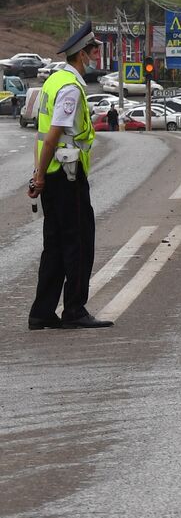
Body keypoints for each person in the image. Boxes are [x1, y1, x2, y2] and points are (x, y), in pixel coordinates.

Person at [27, 21, 113, 330]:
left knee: (55, 245)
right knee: (78, 243)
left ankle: (42, 312)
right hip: (67, 177)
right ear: (83, 54)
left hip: (52, 176)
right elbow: (50, 137)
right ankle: (74, 309)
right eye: (93, 51)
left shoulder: (53, 81)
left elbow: (39, 138)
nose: (95, 57)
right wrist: (38, 177)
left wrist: (38, 176)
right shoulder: (70, 89)